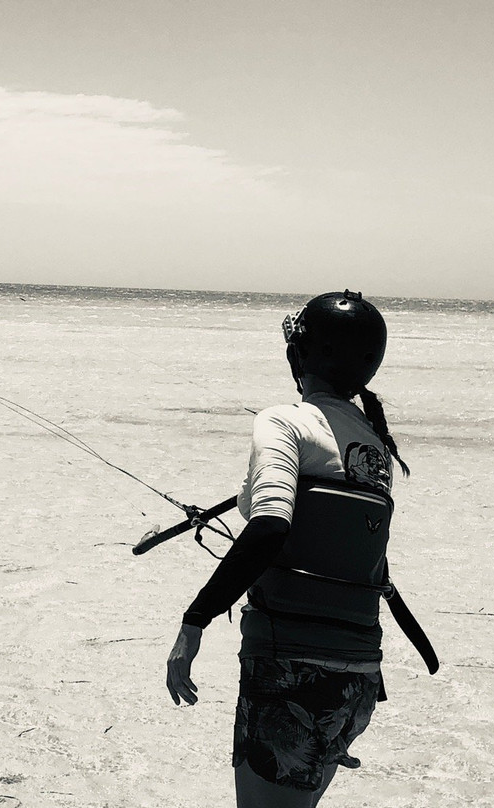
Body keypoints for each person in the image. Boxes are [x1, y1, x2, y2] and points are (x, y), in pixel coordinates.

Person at [165, 290, 413, 807]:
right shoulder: (374, 444)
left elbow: (272, 528)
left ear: (298, 356)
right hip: (359, 675)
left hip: (290, 669)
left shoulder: (283, 421)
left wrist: (195, 620)